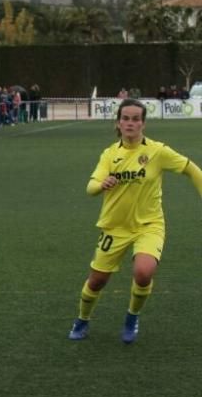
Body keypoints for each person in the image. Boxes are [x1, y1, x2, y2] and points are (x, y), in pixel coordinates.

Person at [68, 99, 202, 343]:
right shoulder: (110, 154)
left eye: (135, 119)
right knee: (97, 281)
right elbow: (90, 187)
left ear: (143, 123)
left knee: (143, 272)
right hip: (114, 227)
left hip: (149, 225)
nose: (130, 123)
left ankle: (132, 316)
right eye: (126, 119)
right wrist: (101, 185)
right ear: (118, 123)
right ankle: (82, 319)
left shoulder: (157, 151)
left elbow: (191, 169)